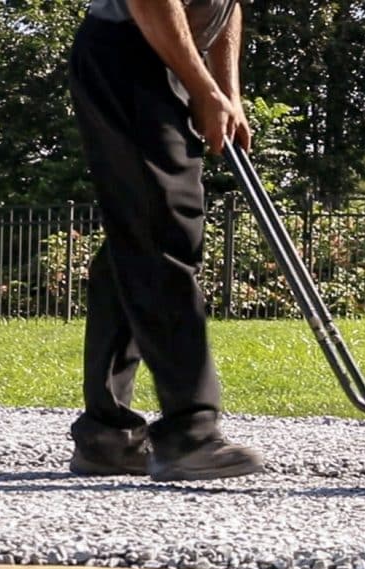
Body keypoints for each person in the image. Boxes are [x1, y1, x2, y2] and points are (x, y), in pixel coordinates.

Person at [67, 0, 264, 481]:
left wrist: (225, 92)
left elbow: (224, 7)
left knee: (136, 238)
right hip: (129, 53)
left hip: (168, 56)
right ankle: (188, 434)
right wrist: (203, 87)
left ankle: (107, 436)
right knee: (164, 230)